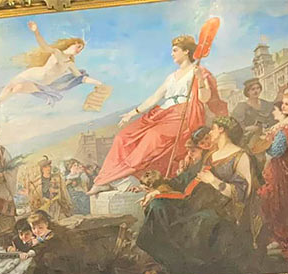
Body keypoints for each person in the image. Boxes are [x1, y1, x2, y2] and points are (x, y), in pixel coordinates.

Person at [91, 34, 227, 193]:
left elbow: (204, 98)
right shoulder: (171, 77)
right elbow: (155, 97)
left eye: (175, 50)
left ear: (186, 52)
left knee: (153, 138)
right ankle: (107, 178)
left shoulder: (198, 71)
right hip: (164, 113)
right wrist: (132, 113)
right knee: (123, 137)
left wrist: (200, 79)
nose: (172, 54)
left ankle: (120, 178)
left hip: (185, 114)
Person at [136, 116, 259, 274]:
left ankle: (191, 270)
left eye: (213, 128)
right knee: (158, 206)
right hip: (196, 203)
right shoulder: (211, 155)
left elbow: (243, 194)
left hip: (223, 210)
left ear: (222, 130)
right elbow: (186, 179)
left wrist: (213, 181)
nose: (211, 132)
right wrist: (158, 189)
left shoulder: (241, 156)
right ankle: (170, 262)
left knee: (202, 220)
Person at [0, 21, 102, 109]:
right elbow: (44, 47)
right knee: (10, 86)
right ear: (72, 44)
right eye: (78, 47)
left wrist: (98, 83)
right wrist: (36, 32)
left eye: (81, 49)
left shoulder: (70, 64)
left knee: (17, 89)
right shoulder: (57, 52)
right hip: (33, 74)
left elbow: (81, 78)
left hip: (42, 83)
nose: (79, 50)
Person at [254, 92, 288, 265]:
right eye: (282, 104)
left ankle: (285, 242)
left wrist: (265, 145)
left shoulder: (287, 128)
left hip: (281, 173)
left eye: (287, 104)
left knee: (277, 204)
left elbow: (276, 151)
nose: (283, 107)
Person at [231, 78, 275, 147]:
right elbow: (234, 124)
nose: (256, 91)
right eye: (252, 89)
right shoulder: (241, 107)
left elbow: (273, 119)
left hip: (266, 137)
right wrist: (247, 128)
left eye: (257, 88)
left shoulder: (266, 104)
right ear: (247, 92)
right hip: (249, 140)